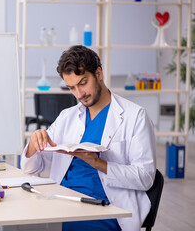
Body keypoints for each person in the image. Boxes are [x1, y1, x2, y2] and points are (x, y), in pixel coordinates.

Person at [21, 45, 156, 231]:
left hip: (101, 208)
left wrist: (98, 163)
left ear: (98, 73)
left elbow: (145, 177)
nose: (79, 94)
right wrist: (34, 144)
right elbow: (32, 167)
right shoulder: (67, 116)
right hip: (60, 202)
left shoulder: (135, 116)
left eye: (83, 83)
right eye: (72, 88)